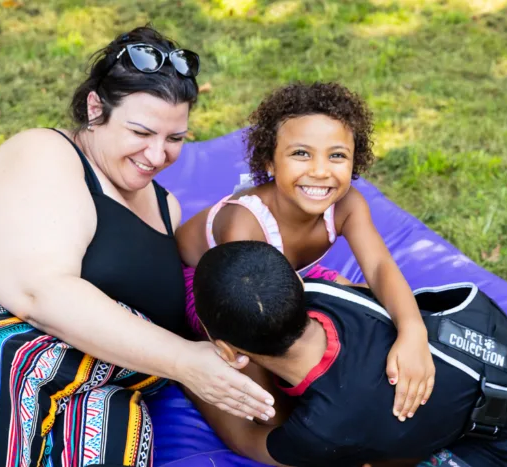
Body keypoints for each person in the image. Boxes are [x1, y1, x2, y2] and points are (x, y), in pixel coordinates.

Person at [0, 26, 275, 467]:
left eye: (175, 138)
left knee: (108, 432)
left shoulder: (167, 207)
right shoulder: (45, 152)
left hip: (96, 379)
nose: (158, 153)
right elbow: (36, 292)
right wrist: (184, 360)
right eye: (141, 131)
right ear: (95, 108)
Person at [177, 82, 435, 420]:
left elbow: (379, 267)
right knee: (265, 403)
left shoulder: (347, 205)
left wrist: (413, 331)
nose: (320, 170)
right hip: (218, 289)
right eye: (301, 153)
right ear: (269, 162)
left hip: (286, 276)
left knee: (365, 304)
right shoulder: (244, 224)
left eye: (337, 155)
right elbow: (244, 309)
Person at [189, 241, 507, 467]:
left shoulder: (318, 431)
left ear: (227, 349)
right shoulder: (323, 293)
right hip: (489, 358)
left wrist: (188, 371)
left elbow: (246, 440)